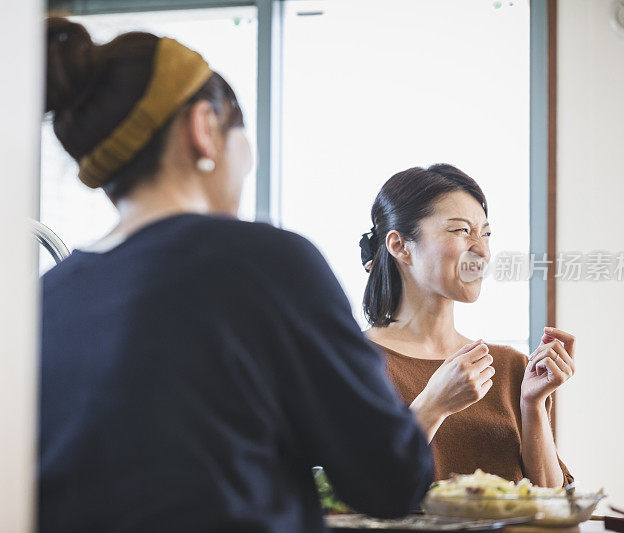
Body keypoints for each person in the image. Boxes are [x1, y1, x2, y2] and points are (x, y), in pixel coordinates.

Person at [39, 18, 435, 532]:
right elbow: (390, 479)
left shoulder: (50, 295)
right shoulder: (267, 263)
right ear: (205, 128)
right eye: (242, 137)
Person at [360, 164, 575, 488]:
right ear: (400, 246)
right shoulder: (352, 363)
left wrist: (532, 407)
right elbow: (355, 492)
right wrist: (432, 404)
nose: (482, 250)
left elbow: (552, 500)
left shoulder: (509, 367)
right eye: (461, 230)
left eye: (486, 233)